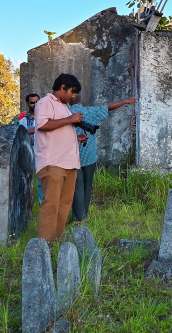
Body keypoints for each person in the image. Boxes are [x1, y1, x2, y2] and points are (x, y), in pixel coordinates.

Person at [33, 74, 92, 242]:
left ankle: (55, 241)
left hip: (69, 164)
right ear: (62, 87)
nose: (73, 96)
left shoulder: (63, 106)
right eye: (72, 92)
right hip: (53, 163)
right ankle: (43, 245)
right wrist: (70, 119)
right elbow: (43, 125)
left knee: (64, 205)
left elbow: (60, 128)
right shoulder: (45, 102)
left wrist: (76, 136)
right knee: (51, 204)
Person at [66, 85, 137, 224]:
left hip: (72, 157)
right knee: (87, 187)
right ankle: (84, 215)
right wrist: (125, 101)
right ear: (77, 97)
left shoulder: (65, 114)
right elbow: (109, 107)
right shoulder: (90, 112)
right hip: (90, 156)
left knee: (77, 188)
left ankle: (77, 217)